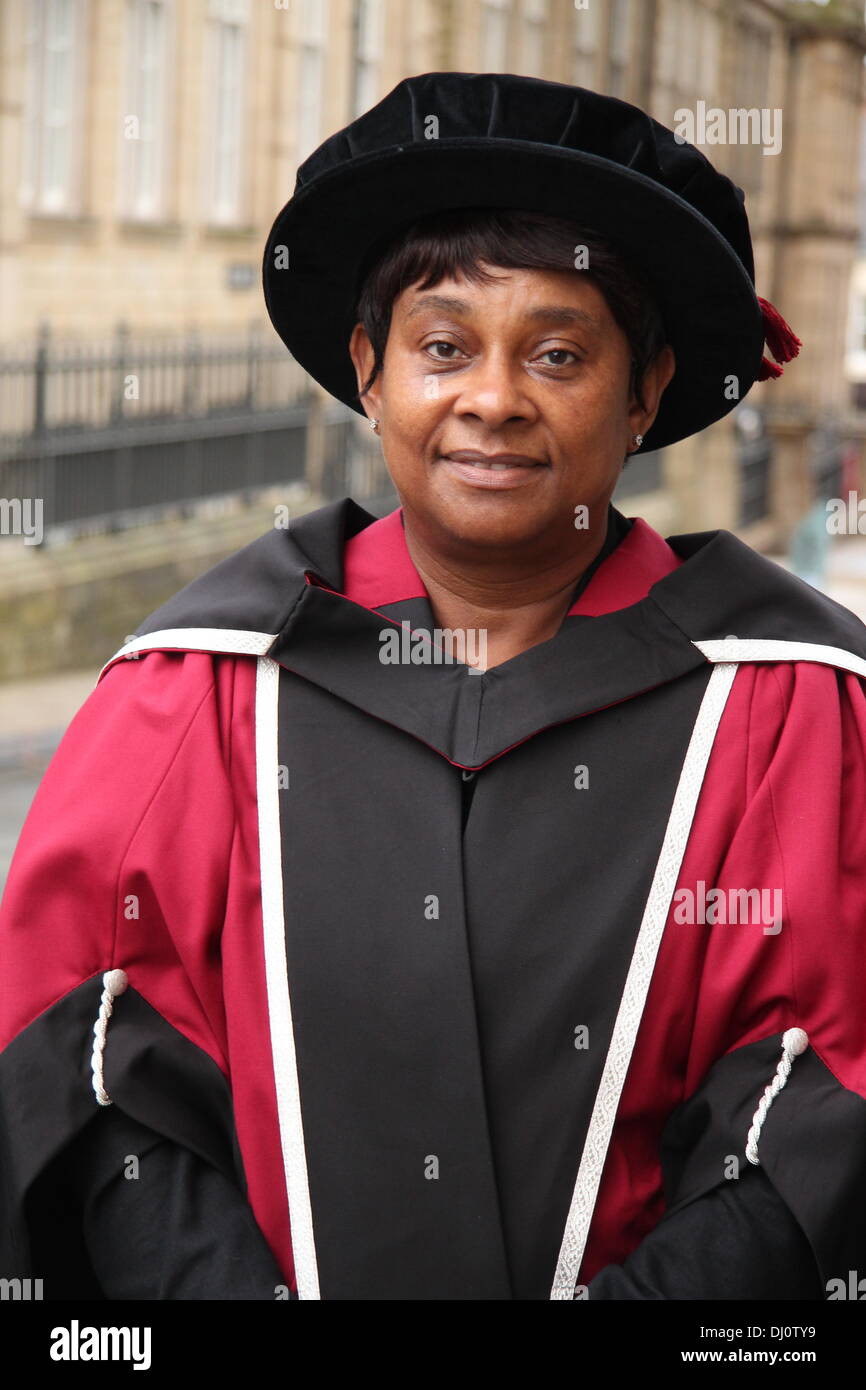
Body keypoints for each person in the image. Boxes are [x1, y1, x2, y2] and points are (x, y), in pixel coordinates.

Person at [2, 71, 865, 1302]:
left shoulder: (785, 704)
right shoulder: (198, 687)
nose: (492, 400)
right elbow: (88, 1064)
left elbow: (819, 1097)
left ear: (646, 391)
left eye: (557, 352)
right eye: (443, 345)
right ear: (370, 369)